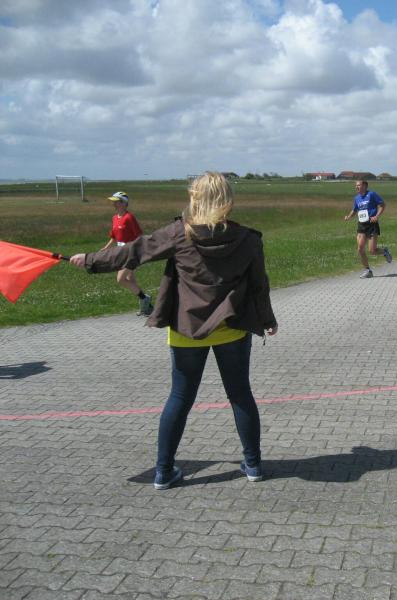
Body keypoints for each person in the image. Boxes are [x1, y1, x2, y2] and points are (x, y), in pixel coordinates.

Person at [69, 172, 279, 489]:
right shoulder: (248, 239)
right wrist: (267, 319)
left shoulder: (179, 233)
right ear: (228, 201)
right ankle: (253, 466)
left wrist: (90, 260)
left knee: (180, 397)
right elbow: (260, 285)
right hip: (232, 329)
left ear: (195, 198)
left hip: (186, 330)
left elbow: (134, 252)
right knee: (240, 395)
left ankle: (164, 471)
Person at [102, 191, 153, 316]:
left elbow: (139, 236)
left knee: (120, 279)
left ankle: (145, 298)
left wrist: (137, 251)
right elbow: (114, 236)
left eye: (116, 202)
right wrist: (106, 248)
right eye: (113, 202)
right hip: (121, 253)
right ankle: (147, 307)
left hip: (130, 253)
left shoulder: (129, 218)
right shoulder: (115, 218)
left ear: (124, 203)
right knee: (130, 279)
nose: (114, 204)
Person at [344, 180, 392, 279]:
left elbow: (382, 205)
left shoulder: (372, 194)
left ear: (365, 186)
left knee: (372, 251)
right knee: (360, 248)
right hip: (361, 225)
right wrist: (348, 217)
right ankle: (367, 270)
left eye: (358, 185)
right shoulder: (357, 198)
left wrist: (377, 216)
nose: (356, 187)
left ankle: (384, 251)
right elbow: (355, 210)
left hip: (372, 224)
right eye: (356, 186)